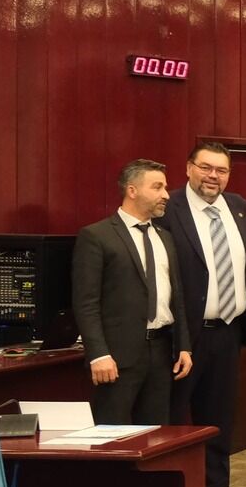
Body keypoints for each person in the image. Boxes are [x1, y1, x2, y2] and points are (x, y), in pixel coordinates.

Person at [164, 140, 246, 487]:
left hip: (229, 330)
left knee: (219, 416)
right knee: (175, 416)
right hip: (184, 334)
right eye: (206, 167)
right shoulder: (169, 208)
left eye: (221, 170)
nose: (213, 176)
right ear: (188, 168)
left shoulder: (239, 207)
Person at [73, 159, 193, 425]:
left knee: (155, 435)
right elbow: (86, 303)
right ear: (132, 190)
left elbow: (177, 298)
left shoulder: (165, 237)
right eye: (157, 187)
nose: (166, 195)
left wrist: (184, 346)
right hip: (117, 357)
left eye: (165, 187)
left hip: (162, 352)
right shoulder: (97, 236)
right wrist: (98, 354)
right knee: (111, 434)